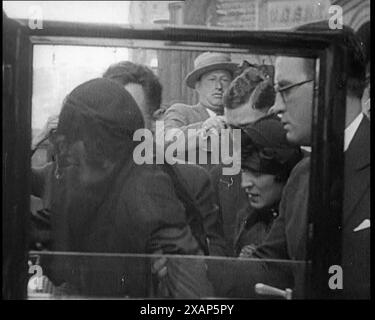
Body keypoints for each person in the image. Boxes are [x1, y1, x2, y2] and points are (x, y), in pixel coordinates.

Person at [208, 21, 370, 299]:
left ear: (329, 82)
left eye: (285, 89)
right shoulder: (303, 175)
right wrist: (191, 266)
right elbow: (271, 267)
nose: (276, 106)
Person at [43, 78, 213, 297]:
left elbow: (195, 296)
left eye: (75, 156)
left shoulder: (146, 189)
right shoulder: (93, 183)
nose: (68, 167)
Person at [103, 61, 229, 257]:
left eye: (130, 115)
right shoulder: (81, 177)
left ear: (152, 122)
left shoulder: (192, 181)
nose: (118, 126)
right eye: (109, 116)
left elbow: (213, 254)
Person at [210, 64, 276, 255]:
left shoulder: (303, 171)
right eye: (230, 128)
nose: (237, 138)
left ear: (272, 116)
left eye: (246, 127)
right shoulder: (220, 177)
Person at [234, 115, 302, 257]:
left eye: (257, 174)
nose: (244, 184)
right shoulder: (245, 219)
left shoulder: (302, 222)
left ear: (283, 173)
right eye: (244, 171)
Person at [159, 52, 237, 169]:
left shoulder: (238, 120)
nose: (219, 86)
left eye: (224, 80)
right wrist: (205, 128)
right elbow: (166, 142)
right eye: (211, 79)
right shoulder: (182, 112)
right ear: (197, 86)